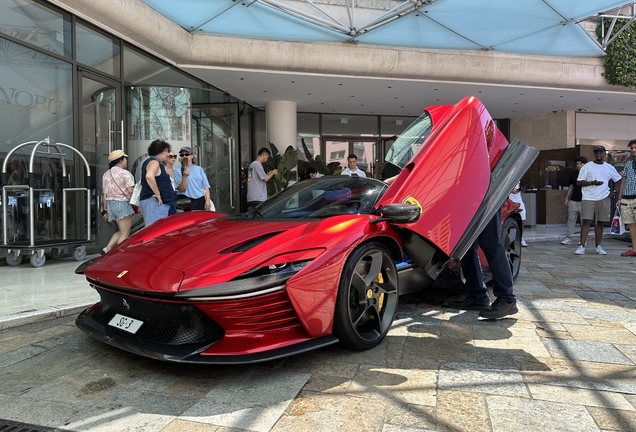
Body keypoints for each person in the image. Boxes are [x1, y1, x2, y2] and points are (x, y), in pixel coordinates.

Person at [448, 208, 518, 319]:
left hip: (488, 195)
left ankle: (507, 299)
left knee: (490, 241)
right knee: (465, 244)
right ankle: (477, 296)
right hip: (466, 198)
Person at [575, 145, 622, 255]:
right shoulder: (587, 166)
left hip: (603, 197)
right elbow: (579, 182)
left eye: (601, 152)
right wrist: (592, 183)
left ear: (605, 154)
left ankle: (598, 246)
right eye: (597, 153)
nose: (599, 154)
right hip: (588, 197)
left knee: (600, 223)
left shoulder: (609, 167)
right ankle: (581, 246)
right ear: (594, 154)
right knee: (586, 221)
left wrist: (614, 192)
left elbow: (619, 180)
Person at [101, 150, 135, 254]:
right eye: (125, 159)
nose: (126, 161)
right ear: (120, 160)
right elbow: (130, 191)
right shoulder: (125, 173)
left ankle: (108, 248)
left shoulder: (106, 174)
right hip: (122, 205)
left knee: (121, 231)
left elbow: (104, 194)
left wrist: (104, 209)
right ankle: (120, 254)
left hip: (110, 205)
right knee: (125, 232)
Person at [138, 139, 175, 226]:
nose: (167, 155)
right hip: (154, 202)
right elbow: (149, 176)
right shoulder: (154, 162)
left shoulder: (152, 162)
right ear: (163, 150)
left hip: (154, 203)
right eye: (167, 151)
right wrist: (157, 194)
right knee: (155, 230)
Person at [173, 146, 213, 211]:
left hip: (199, 199)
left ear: (192, 156)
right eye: (182, 155)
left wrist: (207, 199)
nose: (184, 156)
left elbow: (206, 186)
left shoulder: (199, 169)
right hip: (185, 201)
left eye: (187, 154)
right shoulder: (178, 170)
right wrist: (185, 176)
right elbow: (182, 189)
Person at [561, 156, 587, 245]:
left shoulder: (588, 173)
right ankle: (568, 237)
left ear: (584, 164)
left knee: (584, 221)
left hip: (585, 200)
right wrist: (567, 197)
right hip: (574, 200)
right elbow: (571, 186)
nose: (579, 165)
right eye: (577, 164)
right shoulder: (573, 174)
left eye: (581, 164)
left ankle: (583, 239)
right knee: (571, 220)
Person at [616, 139, 636, 257]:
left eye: (635, 147)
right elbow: (623, 180)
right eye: (632, 148)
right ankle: (634, 249)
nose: (633, 150)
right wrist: (619, 198)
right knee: (631, 224)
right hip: (627, 198)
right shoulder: (629, 164)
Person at [509, 182, 528, 247]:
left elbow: (518, 188)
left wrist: (520, 197)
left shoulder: (517, 177)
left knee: (522, 220)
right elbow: (512, 190)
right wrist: (513, 189)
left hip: (519, 201)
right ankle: (510, 239)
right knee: (510, 221)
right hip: (510, 201)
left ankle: (521, 238)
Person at [163, 149, 178, 215]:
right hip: (165, 196)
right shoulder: (161, 170)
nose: (173, 158)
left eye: (174, 156)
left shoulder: (176, 171)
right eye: (170, 156)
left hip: (175, 196)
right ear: (165, 158)